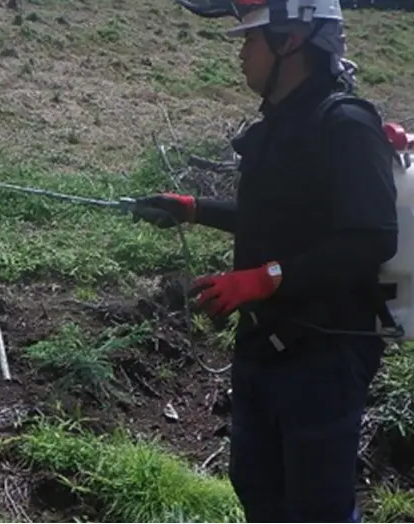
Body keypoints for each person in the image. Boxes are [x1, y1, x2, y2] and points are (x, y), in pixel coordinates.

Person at [132, 0, 399, 521]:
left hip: (323, 356)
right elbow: (273, 219)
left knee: (316, 509)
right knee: (258, 490)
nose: (242, 52)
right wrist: (192, 210)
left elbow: (371, 239)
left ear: (290, 41)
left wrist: (265, 279)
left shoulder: (345, 124)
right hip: (262, 348)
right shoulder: (277, 125)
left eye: (251, 39)